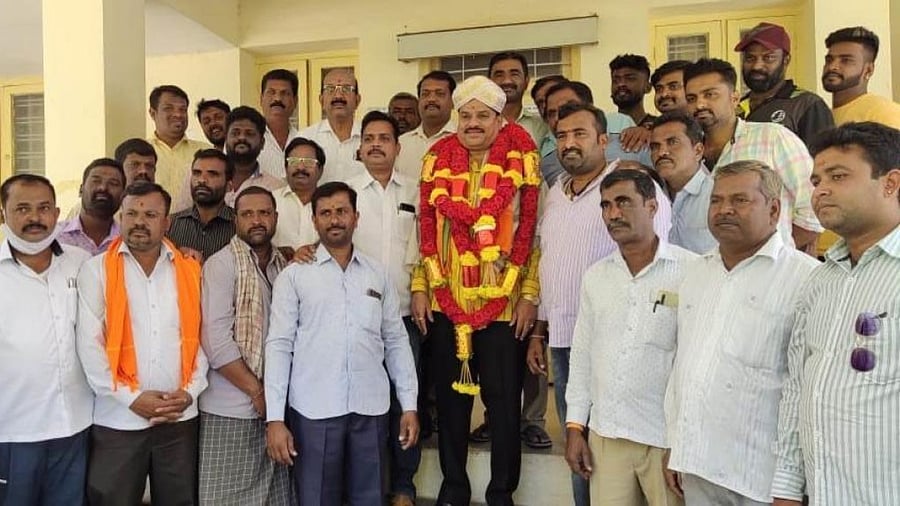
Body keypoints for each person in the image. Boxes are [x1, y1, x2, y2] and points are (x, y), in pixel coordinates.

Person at [529, 102, 673, 506]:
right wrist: (539, 330)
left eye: (580, 134)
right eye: (561, 136)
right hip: (564, 338)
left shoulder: (628, 184)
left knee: (633, 446)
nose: (569, 143)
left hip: (621, 339)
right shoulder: (556, 192)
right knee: (580, 446)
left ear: (603, 140)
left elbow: (657, 256)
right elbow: (549, 260)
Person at [410, 75, 542, 506]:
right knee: (451, 405)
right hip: (448, 306)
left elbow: (533, 237)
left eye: (481, 115)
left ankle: (502, 492)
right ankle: (454, 488)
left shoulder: (521, 162)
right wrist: (420, 287)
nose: (471, 123)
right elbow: (425, 232)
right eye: (464, 115)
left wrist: (528, 295)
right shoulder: (437, 162)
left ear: (499, 118)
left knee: (504, 406)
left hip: (503, 307)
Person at [664, 161, 818, 505]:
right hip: (698, 466)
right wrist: (677, 445)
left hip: (763, 480)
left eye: (740, 200)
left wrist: (790, 486)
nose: (724, 210)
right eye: (716, 201)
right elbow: (683, 367)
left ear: (774, 209)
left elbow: (807, 390)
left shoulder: (807, 280)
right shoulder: (696, 272)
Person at [265, 181, 419, 506]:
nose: (334, 220)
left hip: (371, 408)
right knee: (317, 499)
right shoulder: (294, 277)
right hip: (314, 410)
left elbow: (396, 342)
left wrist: (409, 405)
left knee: (370, 498)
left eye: (341, 212)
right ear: (314, 220)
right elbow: (279, 347)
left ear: (356, 217)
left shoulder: (378, 275)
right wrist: (275, 419)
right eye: (326, 213)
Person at [771, 122, 900, 505]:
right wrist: (786, 489)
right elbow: (797, 388)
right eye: (816, 179)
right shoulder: (819, 281)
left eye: (838, 176)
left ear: (891, 183)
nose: (821, 189)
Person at [564, 169, 694, 506]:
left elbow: (696, 362)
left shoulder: (692, 271)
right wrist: (575, 425)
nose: (613, 214)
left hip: (665, 440)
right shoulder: (596, 276)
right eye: (605, 206)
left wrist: (682, 442)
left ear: (652, 207)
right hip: (607, 436)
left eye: (623, 202)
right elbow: (582, 355)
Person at [77, 181, 209, 505]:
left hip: (179, 417)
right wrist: (131, 399)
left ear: (167, 223)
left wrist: (189, 393)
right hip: (117, 418)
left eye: (150, 214)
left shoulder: (190, 270)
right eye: (132, 213)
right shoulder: (96, 271)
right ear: (120, 217)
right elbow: (90, 346)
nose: (139, 221)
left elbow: (203, 342)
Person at [0, 174, 94, 506]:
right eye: (22, 209)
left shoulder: (82, 264)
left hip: (76, 426)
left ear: (56, 213)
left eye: (43, 208)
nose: (34, 218)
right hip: (14, 431)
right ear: (4, 214)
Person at [198, 186, 292, 505]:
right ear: (235, 220)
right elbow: (215, 340)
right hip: (229, 409)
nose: (256, 220)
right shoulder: (221, 264)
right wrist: (256, 391)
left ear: (275, 217)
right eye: (247, 214)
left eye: (264, 213)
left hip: (273, 408)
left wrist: (271, 398)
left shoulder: (283, 266)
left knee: (272, 499)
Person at [347, 111, 422, 506]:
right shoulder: (345, 192)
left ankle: (404, 487)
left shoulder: (417, 191)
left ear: (398, 146)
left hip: (407, 316)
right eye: (369, 138)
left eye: (384, 138)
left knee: (406, 401)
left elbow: (427, 249)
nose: (376, 144)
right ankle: (369, 484)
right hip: (356, 320)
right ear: (360, 148)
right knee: (365, 407)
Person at [683, 58, 822, 253]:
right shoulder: (687, 153)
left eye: (710, 95)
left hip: (772, 272)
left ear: (734, 98)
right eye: (691, 99)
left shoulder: (772, 138)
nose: (699, 105)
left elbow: (814, 207)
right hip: (709, 272)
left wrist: (774, 250)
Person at [735, 22, 833, 147]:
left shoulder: (807, 105)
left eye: (768, 57)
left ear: (786, 61)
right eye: (750, 58)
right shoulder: (736, 109)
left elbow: (824, 160)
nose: (757, 66)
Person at [541, 81, 651, 187]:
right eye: (551, 114)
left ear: (589, 107)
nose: (558, 117)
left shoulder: (634, 144)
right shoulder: (546, 166)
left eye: (568, 108)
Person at [649, 112, 717, 253]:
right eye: (655, 146)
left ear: (698, 151)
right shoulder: (650, 197)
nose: (662, 152)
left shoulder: (716, 196)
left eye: (672, 142)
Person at [823, 26, 900, 129]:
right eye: (829, 60)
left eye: (846, 60)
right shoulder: (820, 117)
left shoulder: (885, 114)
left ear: (868, 70)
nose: (832, 67)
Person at [167, 149, 236, 262]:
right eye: (196, 173)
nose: (202, 180)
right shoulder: (170, 224)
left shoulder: (239, 226)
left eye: (212, 174)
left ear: (229, 186)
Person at [299, 68, 366, 183]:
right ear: (321, 100)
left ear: (357, 100)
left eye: (346, 89)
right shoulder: (305, 138)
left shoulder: (370, 139)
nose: (338, 95)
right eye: (330, 89)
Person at [146, 85, 211, 198]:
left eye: (182, 109)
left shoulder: (206, 151)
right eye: (168, 108)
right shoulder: (140, 153)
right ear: (152, 113)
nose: (178, 114)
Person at [397, 71, 457, 181]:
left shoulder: (462, 141)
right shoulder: (401, 144)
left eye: (439, 94)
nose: (431, 99)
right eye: (425, 94)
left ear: (453, 101)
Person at [58, 158, 126, 256]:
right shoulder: (53, 238)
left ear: (123, 195)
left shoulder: (128, 242)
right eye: (96, 181)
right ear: (81, 189)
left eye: (113, 183)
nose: (103, 188)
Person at [272, 137, 325, 251]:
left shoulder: (330, 205)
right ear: (285, 168)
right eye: (294, 161)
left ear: (320, 171)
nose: (300, 167)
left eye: (309, 162)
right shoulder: (270, 201)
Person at [488, 51, 549, 144]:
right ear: (489, 83)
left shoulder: (542, 127)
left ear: (526, 82)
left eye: (514, 74)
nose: (506, 81)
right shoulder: (478, 126)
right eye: (499, 75)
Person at [258, 69, 300, 179]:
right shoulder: (249, 141)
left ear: (295, 101)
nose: (277, 98)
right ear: (261, 99)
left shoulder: (304, 139)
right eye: (271, 92)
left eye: (285, 93)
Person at [610, 54, 657, 128]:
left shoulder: (659, 127)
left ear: (648, 87)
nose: (621, 84)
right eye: (616, 80)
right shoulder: (603, 127)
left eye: (630, 79)